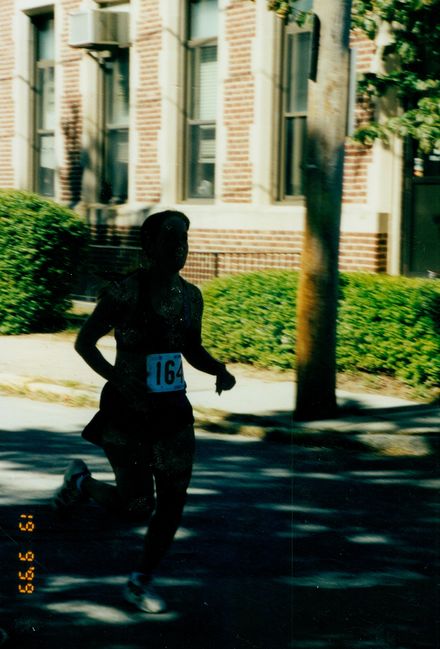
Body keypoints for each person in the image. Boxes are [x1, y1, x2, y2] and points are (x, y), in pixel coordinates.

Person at [53, 210, 236, 613]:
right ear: (149, 245)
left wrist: (218, 369)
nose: (180, 249)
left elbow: (190, 347)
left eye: (184, 240)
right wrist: (118, 378)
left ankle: (140, 580)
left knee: (173, 500)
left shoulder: (190, 296)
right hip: (127, 411)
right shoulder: (124, 293)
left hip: (172, 411)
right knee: (137, 505)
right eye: (171, 240)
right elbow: (84, 343)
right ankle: (81, 483)